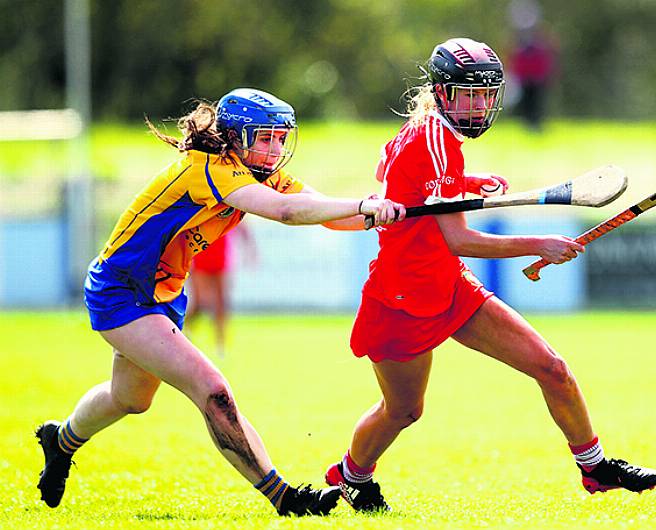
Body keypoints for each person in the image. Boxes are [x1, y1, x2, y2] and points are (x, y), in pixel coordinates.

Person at [323, 38, 656, 512]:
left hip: (449, 285)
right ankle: (352, 476)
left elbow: (393, 172)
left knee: (552, 368)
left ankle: (595, 466)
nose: (480, 105)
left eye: (487, 95)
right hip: (402, 299)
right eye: (469, 94)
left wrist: (464, 184)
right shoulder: (434, 142)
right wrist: (538, 244)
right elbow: (459, 238)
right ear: (442, 93)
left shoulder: (429, 134)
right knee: (403, 410)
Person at [35, 88, 405, 517]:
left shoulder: (259, 173)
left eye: (281, 138)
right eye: (264, 137)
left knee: (129, 399)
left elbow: (325, 211)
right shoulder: (209, 167)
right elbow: (286, 212)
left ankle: (59, 441)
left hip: (165, 292)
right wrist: (366, 204)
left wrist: (391, 212)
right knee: (212, 390)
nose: (275, 149)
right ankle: (284, 497)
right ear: (233, 137)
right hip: (121, 291)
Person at [186, 223, 257, 358]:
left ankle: (220, 344)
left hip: (221, 257)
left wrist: (250, 250)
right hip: (201, 255)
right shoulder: (203, 205)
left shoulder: (229, 205)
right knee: (201, 302)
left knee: (221, 303)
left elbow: (243, 226)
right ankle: (185, 329)